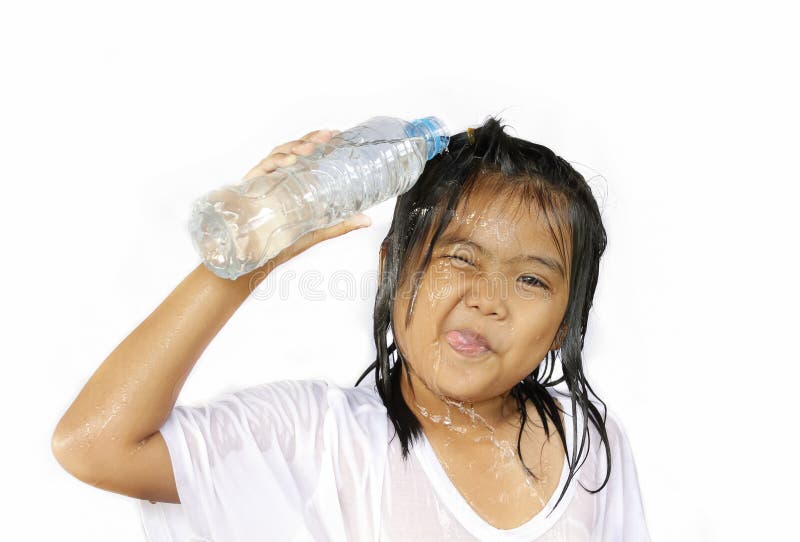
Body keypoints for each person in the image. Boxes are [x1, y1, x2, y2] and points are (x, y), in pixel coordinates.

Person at [52, 117, 651, 541]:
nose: (487, 300)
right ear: (392, 265)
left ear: (563, 325)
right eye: (460, 259)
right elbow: (96, 445)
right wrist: (243, 259)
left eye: (531, 282)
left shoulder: (587, 444)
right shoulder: (316, 440)